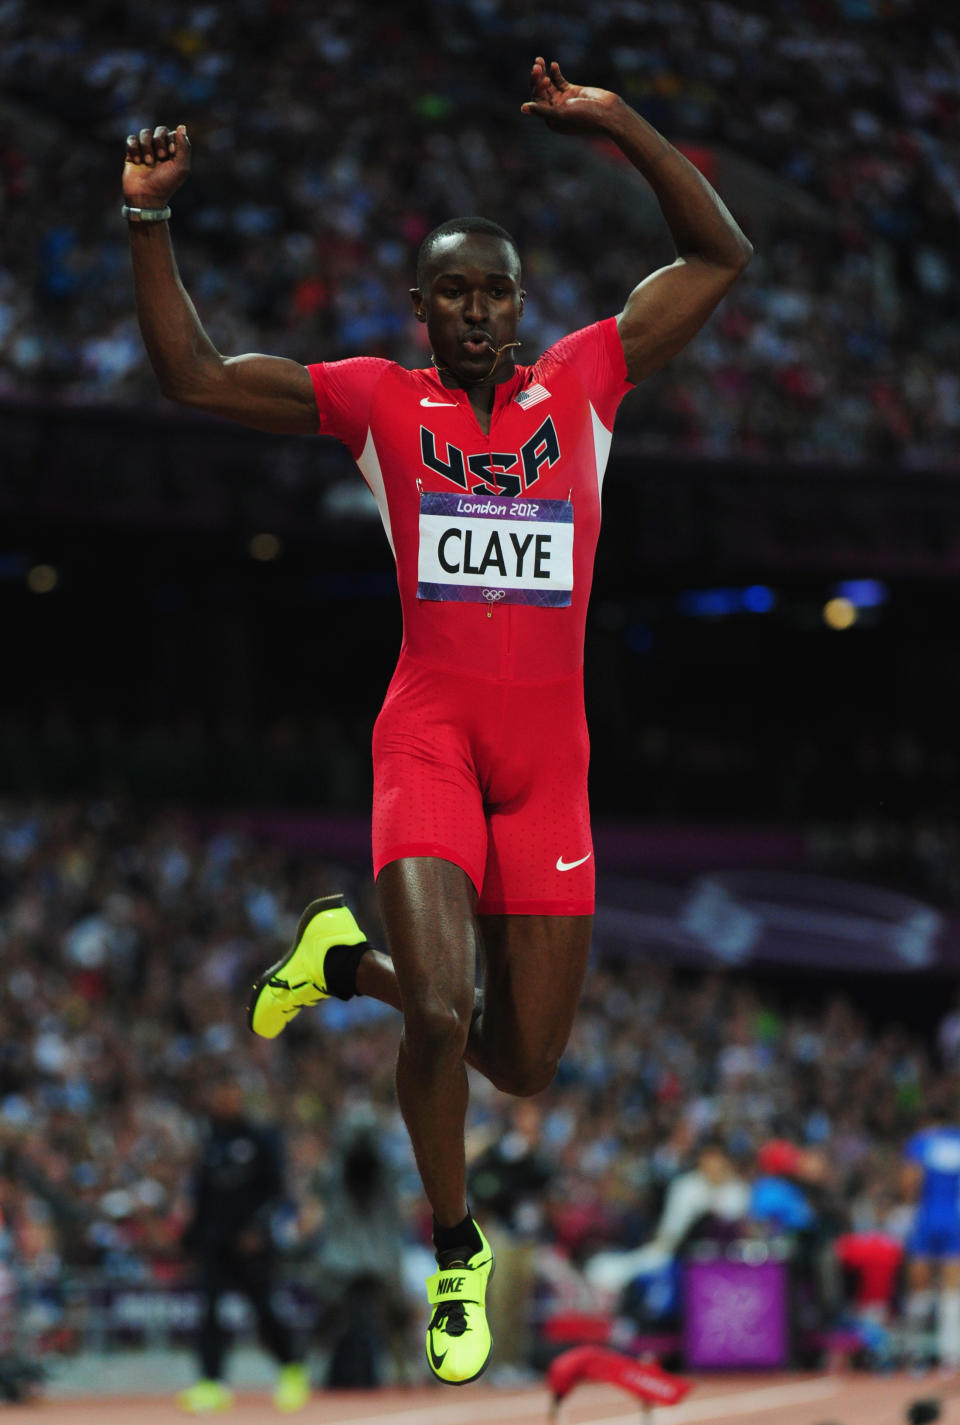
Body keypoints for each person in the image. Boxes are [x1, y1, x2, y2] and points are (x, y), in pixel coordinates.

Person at [124, 56, 751, 1386]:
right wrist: (148, 218)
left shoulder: (582, 382)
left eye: (496, 290)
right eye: (452, 292)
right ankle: (456, 1250)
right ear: (421, 311)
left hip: (553, 768)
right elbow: (190, 374)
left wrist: (617, 123)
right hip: (429, 742)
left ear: (521, 304)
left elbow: (719, 253)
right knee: (449, 1017)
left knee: (523, 1063)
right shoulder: (379, 404)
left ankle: (341, 960)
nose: (475, 311)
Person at [178, 1077, 309, 1414]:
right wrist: (192, 1238)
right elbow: (201, 1196)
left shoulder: (261, 1139)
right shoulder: (210, 1142)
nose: (225, 1101)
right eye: (219, 1094)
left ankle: (292, 1370)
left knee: (264, 1310)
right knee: (209, 1312)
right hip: (214, 1243)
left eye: (230, 1093)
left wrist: (258, 1230)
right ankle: (211, 1383)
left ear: (241, 1096)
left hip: (252, 1245)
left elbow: (277, 1191)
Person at [902, 1108, 960, 1371]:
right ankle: (951, 1355)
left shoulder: (921, 1142)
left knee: (920, 1288)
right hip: (955, 1219)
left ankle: (916, 1354)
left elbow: (910, 1182)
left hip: (927, 1217)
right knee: (953, 1290)